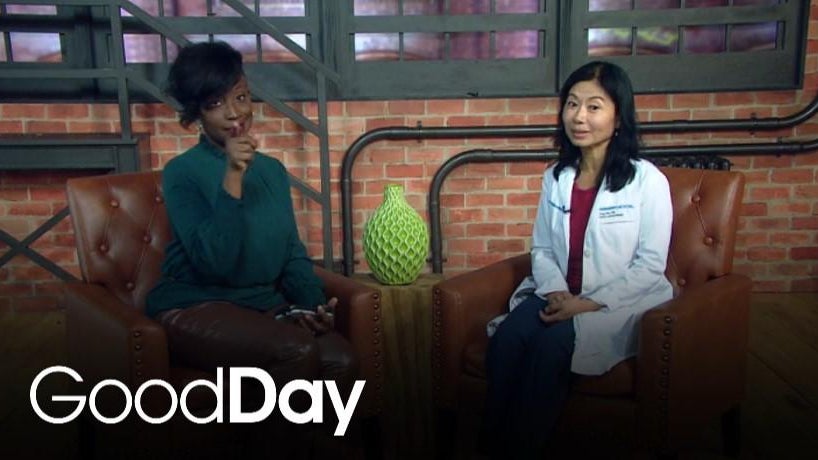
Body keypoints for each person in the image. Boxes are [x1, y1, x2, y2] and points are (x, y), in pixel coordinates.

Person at [145, 41, 357, 455]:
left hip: (262, 306)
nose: (234, 113)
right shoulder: (182, 173)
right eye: (216, 104)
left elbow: (292, 253)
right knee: (294, 351)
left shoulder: (273, 172)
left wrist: (313, 307)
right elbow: (215, 261)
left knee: (341, 360)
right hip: (196, 304)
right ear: (197, 113)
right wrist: (233, 176)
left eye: (241, 97)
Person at [482, 61, 674, 458]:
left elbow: (650, 266)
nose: (579, 116)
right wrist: (556, 292)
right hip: (557, 292)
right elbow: (542, 249)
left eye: (594, 106)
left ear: (619, 116)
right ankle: (492, 445)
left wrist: (585, 304)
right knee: (507, 339)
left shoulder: (647, 181)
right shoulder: (556, 176)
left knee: (551, 346)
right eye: (572, 104)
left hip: (615, 302)